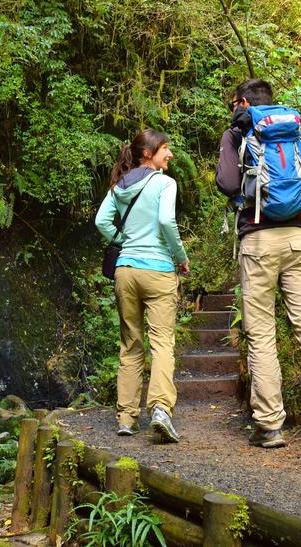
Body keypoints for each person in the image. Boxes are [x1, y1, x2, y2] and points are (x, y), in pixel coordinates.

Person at [215, 79, 301, 450]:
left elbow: (226, 184)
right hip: (298, 238)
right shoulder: (294, 132)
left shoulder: (237, 133)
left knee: (261, 332)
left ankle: (270, 425)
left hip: (257, 240)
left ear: (242, 103)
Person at [95, 129, 190, 443]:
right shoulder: (165, 183)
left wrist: (125, 242)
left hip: (125, 270)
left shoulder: (120, 185)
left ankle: (126, 418)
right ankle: (161, 410)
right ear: (149, 153)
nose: (170, 155)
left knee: (130, 345)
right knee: (162, 342)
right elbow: (165, 222)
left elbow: (101, 222)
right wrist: (180, 257)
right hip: (158, 270)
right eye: (166, 148)